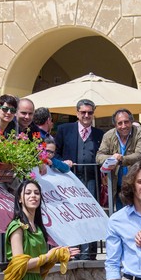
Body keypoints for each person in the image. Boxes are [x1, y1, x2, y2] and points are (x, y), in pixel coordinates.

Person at [55, 99, 104, 260]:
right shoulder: (64, 130)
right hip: (70, 180)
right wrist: (63, 163)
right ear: (77, 113)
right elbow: (54, 153)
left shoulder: (99, 134)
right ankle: (73, 252)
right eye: (83, 112)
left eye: (90, 112)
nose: (86, 115)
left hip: (92, 180)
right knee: (72, 215)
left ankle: (90, 253)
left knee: (91, 215)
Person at [96, 108, 141, 210]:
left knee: (139, 211)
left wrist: (121, 159)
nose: (123, 126)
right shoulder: (108, 135)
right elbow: (99, 156)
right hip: (116, 183)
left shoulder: (140, 133)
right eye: (120, 123)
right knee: (122, 212)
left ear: (131, 122)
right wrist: (112, 158)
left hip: (136, 182)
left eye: (126, 122)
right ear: (115, 125)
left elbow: (140, 155)